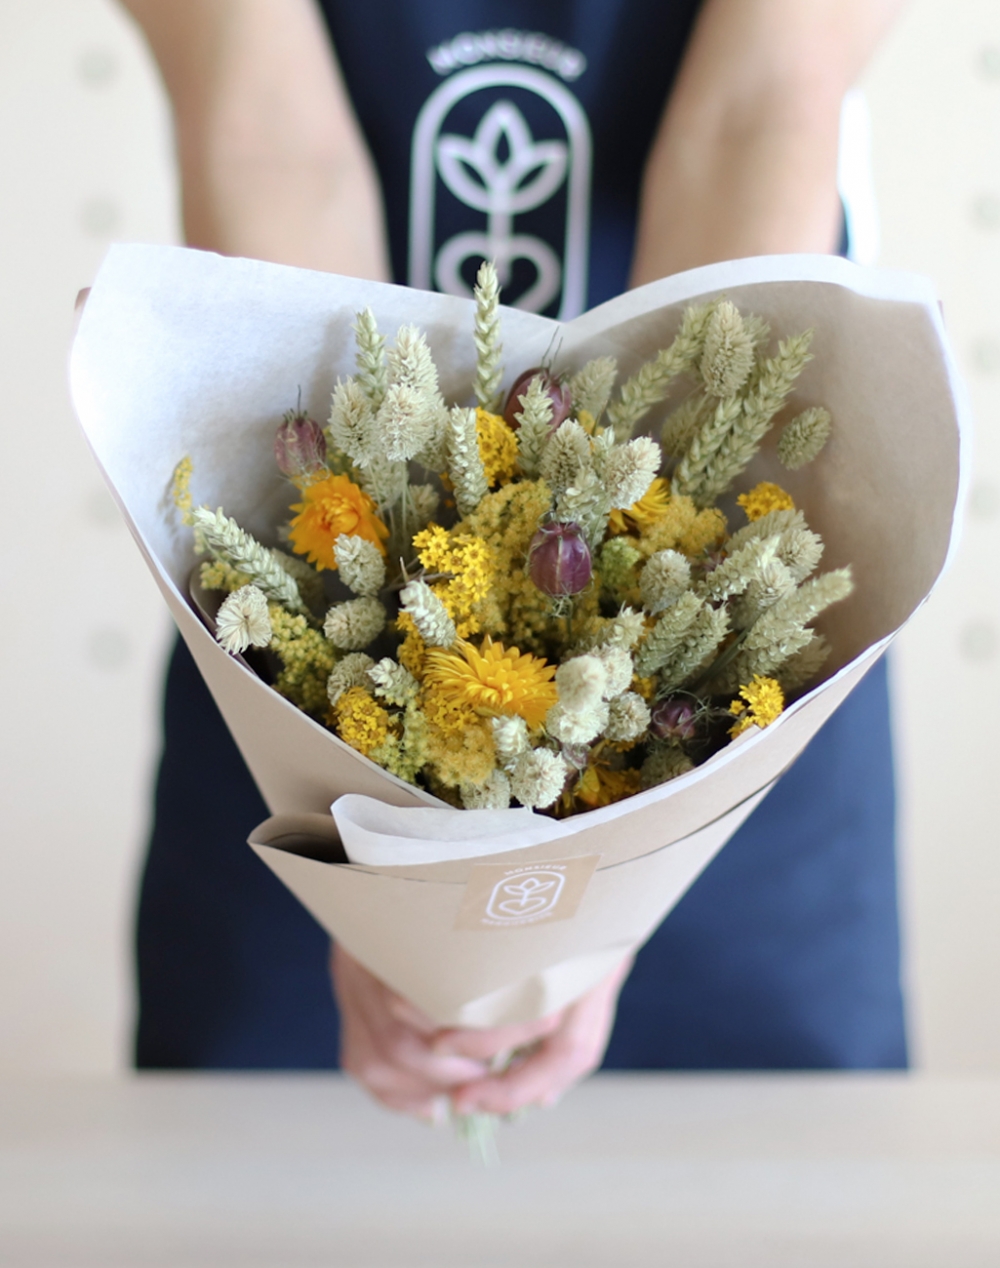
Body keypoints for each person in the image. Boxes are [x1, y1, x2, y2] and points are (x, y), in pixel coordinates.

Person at [121, 0, 909, 1120]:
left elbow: (755, 110)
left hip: (714, 655)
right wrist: (390, 871)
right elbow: (269, 138)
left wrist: (616, 845)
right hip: (313, 675)